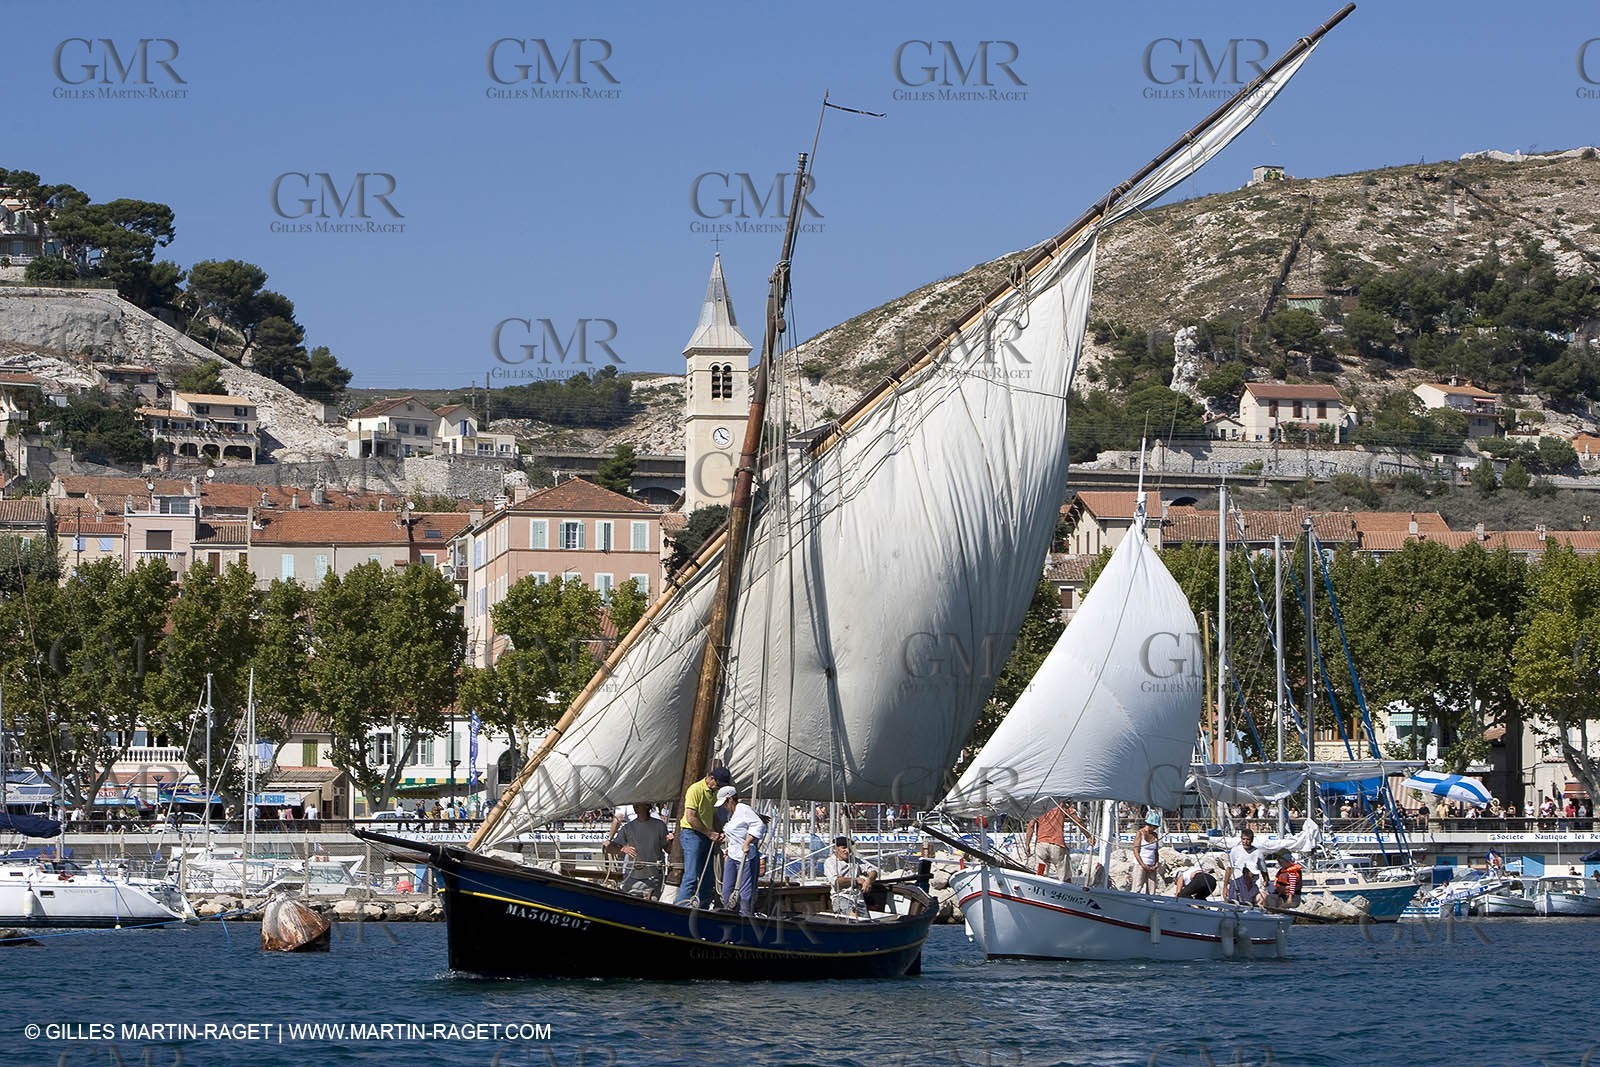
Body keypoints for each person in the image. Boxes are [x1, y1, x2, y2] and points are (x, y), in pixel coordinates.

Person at [675, 767, 732, 907]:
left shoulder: (714, 792)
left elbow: (713, 815)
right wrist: (710, 833)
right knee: (691, 876)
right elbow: (690, 818)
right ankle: (681, 907)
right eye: (718, 784)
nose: (718, 787)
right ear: (710, 778)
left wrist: (720, 831)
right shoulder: (695, 790)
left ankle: (703, 908)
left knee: (708, 877)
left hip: (706, 835)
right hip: (692, 834)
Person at [606, 802, 673, 898]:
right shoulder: (628, 828)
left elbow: (668, 849)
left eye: (638, 804)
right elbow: (610, 848)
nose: (635, 807)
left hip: (654, 878)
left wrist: (671, 842)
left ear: (647, 805)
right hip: (632, 877)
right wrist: (623, 848)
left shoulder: (660, 826)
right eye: (634, 805)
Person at [716, 787, 765, 915]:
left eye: (725, 803)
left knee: (745, 894)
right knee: (726, 891)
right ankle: (730, 914)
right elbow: (735, 833)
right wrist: (726, 843)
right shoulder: (729, 814)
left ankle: (746, 915)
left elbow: (759, 825)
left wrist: (747, 842)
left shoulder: (743, 809)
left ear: (731, 799)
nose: (724, 807)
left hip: (746, 857)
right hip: (732, 855)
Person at [824, 836, 878, 918]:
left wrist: (869, 880)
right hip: (842, 897)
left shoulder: (855, 861)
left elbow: (873, 871)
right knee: (853, 920)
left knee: (866, 922)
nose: (847, 851)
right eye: (844, 848)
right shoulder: (830, 862)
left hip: (858, 899)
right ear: (836, 849)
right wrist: (856, 880)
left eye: (849, 848)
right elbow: (836, 881)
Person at [1023, 803, 1068, 879]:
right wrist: (1088, 836)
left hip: (1042, 844)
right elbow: (1078, 820)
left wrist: (1027, 845)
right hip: (1057, 844)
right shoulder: (1062, 805)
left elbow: (1031, 825)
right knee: (1063, 872)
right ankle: (1067, 887)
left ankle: (1040, 886)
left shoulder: (1038, 807)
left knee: (1041, 872)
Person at [1227, 828, 1267, 906]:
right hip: (1236, 880)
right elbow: (1229, 868)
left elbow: (1263, 870)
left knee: (1249, 902)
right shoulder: (1235, 850)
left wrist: (1266, 881)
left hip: (1251, 881)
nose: (1245, 842)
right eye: (1243, 839)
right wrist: (1225, 886)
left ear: (1251, 840)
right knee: (1233, 903)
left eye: (1248, 839)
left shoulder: (1258, 852)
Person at [1132, 812, 1162, 893]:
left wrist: (1156, 863)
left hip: (1152, 865)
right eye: (1154, 826)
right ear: (1150, 824)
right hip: (1140, 865)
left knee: (1152, 889)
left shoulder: (1155, 835)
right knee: (1137, 887)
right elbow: (1136, 851)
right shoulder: (1140, 833)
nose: (1155, 828)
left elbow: (1156, 851)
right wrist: (1143, 865)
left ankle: (1150, 902)